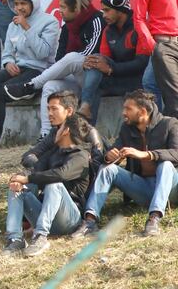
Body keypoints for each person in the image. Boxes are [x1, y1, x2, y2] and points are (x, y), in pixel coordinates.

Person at [3, 0, 105, 137]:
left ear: (76, 8)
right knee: (50, 85)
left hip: (94, 78)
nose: (60, 11)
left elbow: (91, 54)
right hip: (76, 78)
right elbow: (59, 59)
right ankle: (45, 135)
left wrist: (70, 64)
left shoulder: (96, 19)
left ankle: (33, 84)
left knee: (73, 58)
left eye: (63, 7)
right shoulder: (66, 27)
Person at [73, 90, 178, 238]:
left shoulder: (169, 123)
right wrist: (110, 157)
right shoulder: (126, 129)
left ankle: (154, 218)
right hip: (144, 189)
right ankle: (90, 221)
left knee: (165, 165)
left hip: (171, 189)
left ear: (142, 111)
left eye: (128, 109)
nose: (123, 113)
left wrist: (147, 155)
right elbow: (112, 152)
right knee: (107, 169)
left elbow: (176, 153)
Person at [0, 0, 59, 144]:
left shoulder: (49, 22)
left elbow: (43, 53)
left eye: (24, 3)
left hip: (38, 71)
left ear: (33, 3)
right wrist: (8, 63)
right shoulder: (12, 24)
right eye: (16, 4)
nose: (19, 7)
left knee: (1, 91)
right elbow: (7, 53)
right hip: (18, 69)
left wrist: (27, 27)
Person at [3, 114, 91, 257]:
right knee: (16, 187)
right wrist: (20, 181)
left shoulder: (81, 156)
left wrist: (28, 178)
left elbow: (61, 174)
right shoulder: (54, 154)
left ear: (66, 130)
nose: (55, 132)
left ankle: (40, 237)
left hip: (70, 219)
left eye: (60, 128)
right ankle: (15, 239)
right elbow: (34, 170)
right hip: (45, 213)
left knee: (54, 184)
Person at [78, 0, 147, 122]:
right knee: (95, 62)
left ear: (120, 11)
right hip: (116, 80)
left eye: (107, 10)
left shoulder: (139, 28)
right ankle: (87, 133)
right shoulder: (108, 31)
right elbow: (105, 60)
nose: (103, 15)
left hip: (136, 82)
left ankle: (85, 108)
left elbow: (142, 63)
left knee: (96, 70)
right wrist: (92, 63)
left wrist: (111, 69)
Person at [135, 0, 178, 117]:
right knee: (150, 83)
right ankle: (160, 127)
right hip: (161, 43)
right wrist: (153, 47)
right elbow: (138, 18)